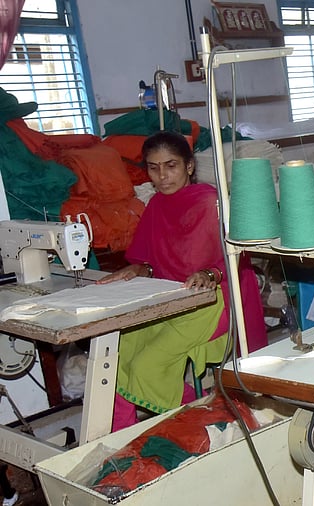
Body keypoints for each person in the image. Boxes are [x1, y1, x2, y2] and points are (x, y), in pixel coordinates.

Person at [98, 131, 267, 431]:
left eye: (171, 165)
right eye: (153, 167)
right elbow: (152, 262)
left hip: (212, 301)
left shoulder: (211, 203)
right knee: (115, 357)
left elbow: (235, 259)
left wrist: (210, 274)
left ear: (189, 166)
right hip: (170, 299)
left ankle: (208, 415)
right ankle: (122, 436)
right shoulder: (156, 206)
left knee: (146, 366)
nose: (162, 176)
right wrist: (139, 270)